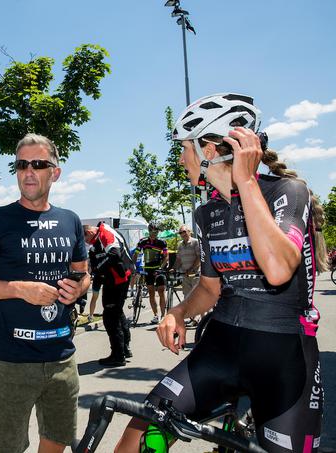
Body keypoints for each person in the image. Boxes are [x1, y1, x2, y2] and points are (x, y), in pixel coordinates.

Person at [116, 93, 328, 453]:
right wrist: (179, 312)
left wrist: (245, 182)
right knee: (139, 438)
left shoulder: (287, 192)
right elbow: (210, 290)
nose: (181, 159)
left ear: (209, 151)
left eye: (184, 148)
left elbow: (278, 270)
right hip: (220, 347)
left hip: (283, 358)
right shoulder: (207, 213)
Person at [0, 133, 90, 453]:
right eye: (22, 165)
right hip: (11, 361)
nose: (28, 171)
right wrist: (21, 289)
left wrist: (78, 289)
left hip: (62, 358)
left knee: (57, 443)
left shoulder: (70, 220)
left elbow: (84, 273)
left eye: (38, 164)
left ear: (55, 172)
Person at [84, 223, 134, 366]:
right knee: (116, 312)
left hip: (119, 278)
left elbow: (114, 254)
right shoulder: (95, 243)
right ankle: (125, 348)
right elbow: (95, 265)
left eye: (85, 239)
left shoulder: (105, 232)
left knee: (110, 316)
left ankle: (118, 355)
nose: (86, 243)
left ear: (89, 232)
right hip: (112, 279)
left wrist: (99, 268)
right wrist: (96, 271)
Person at [132, 222, 169, 324]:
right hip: (148, 269)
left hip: (159, 269)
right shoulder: (142, 242)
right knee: (151, 292)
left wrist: (161, 268)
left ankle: (163, 314)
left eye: (156, 232)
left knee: (161, 291)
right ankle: (156, 315)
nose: (154, 234)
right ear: (149, 231)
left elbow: (166, 257)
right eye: (152, 231)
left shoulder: (162, 242)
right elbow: (135, 255)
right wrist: (134, 267)